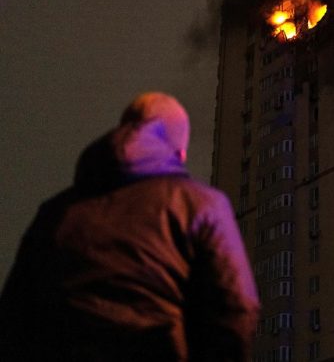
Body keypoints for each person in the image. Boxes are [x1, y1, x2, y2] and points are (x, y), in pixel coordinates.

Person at [0, 92, 259, 361]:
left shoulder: (54, 214)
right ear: (179, 153)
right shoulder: (201, 205)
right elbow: (236, 310)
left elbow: (14, 317)